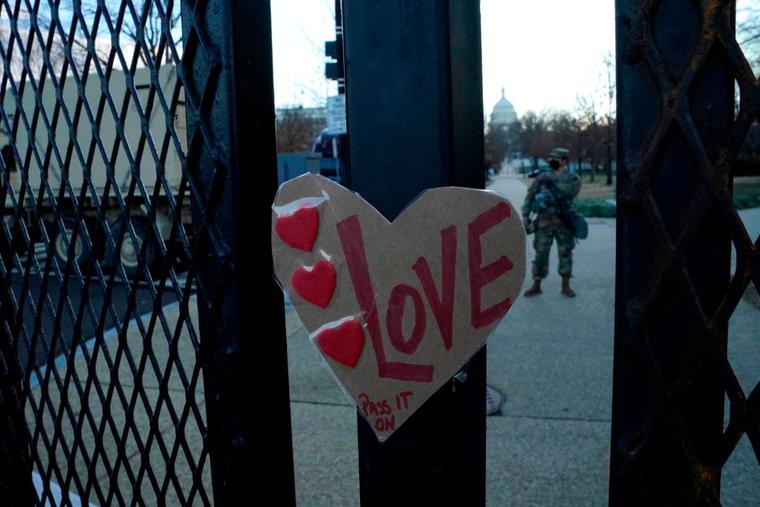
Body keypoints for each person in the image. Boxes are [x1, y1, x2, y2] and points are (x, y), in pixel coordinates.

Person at [521, 148, 582, 297]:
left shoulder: (572, 178)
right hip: (544, 223)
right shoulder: (542, 178)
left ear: (564, 160)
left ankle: (565, 285)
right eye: (550, 157)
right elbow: (530, 195)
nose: (551, 160)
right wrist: (525, 214)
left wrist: (553, 181)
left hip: (563, 223)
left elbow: (570, 192)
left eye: (555, 158)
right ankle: (537, 284)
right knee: (540, 253)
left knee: (565, 253)